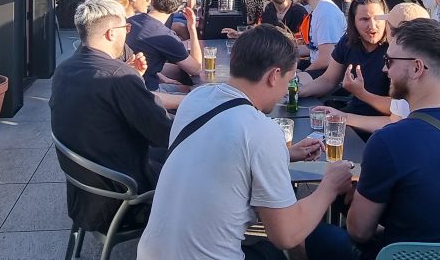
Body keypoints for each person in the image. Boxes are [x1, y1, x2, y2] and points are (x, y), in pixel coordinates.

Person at [137, 24, 354, 260]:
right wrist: (330, 186)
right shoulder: (261, 131)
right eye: (290, 80)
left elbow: (223, 156)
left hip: (151, 252)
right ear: (273, 76)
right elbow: (287, 235)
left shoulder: (196, 99)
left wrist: (284, 154)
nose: (287, 90)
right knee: (329, 243)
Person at [305, 18, 440, 259]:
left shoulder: (390, 140)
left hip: (411, 255)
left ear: (416, 68)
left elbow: (359, 231)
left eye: (389, 61)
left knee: (309, 235)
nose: (383, 69)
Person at [50, 0, 172, 236]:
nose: (127, 34)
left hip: (87, 191)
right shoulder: (118, 76)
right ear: (110, 33)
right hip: (123, 198)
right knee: (192, 161)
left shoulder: (64, 69)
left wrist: (132, 77)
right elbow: (163, 133)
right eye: (126, 28)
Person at [312, 3, 440, 134]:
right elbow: (394, 120)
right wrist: (343, 117)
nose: (385, 69)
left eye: (389, 61)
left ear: (402, 36)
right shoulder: (410, 70)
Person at [298, 0, 389, 117]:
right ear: (354, 22)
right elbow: (328, 79)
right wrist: (298, 92)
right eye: (364, 19)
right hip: (351, 116)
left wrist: (362, 93)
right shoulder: (348, 42)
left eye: (378, 18)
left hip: (381, 125)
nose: (372, 26)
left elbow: (398, 108)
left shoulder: (395, 49)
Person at [125, 0, 201, 95]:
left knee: (182, 82)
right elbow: (196, 69)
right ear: (176, 9)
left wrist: (163, 78)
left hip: (130, 84)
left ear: (152, 0)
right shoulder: (165, 36)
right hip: (147, 92)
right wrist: (192, 29)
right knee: (196, 95)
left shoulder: (131, 21)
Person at [300, 0, 347, 73]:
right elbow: (316, 48)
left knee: (290, 83)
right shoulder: (320, 8)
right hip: (317, 64)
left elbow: (326, 59)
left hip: (326, 72)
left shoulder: (326, 13)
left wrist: (303, 73)